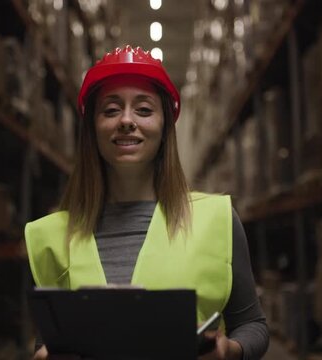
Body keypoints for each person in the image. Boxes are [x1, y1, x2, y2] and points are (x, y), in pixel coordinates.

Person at [25, 45, 269, 360]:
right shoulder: (50, 237)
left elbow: (252, 324)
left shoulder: (216, 219)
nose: (126, 120)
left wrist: (230, 351)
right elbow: (47, 342)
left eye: (143, 109)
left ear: (165, 126)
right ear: (92, 130)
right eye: (111, 110)